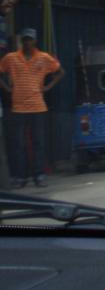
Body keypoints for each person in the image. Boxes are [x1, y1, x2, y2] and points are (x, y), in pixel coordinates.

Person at [0, 28, 65, 188]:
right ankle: (20, 177)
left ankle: (39, 176)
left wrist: (48, 86)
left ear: (35, 41)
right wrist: (6, 88)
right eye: (25, 39)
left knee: (38, 143)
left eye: (30, 39)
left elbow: (60, 72)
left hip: (38, 107)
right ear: (21, 41)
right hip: (18, 108)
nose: (27, 42)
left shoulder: (43, 58)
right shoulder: (11, 58)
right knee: (18, 145)